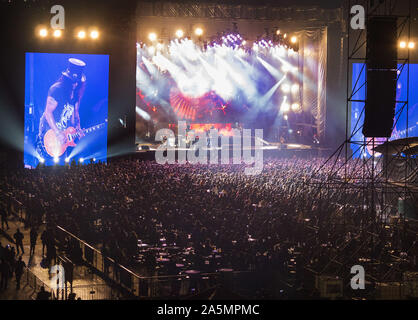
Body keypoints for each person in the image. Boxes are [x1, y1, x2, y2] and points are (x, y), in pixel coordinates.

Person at [35, 58, 87, 161]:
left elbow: (75, 114)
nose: (75, 84)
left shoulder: (76, 93)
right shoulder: (56, 89)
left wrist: (78, 128)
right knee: (46, 162)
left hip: (63, 136)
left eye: (77, 82)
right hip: (49, 133)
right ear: (67, 78)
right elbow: (48, 113)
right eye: (73, 81)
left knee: (61, 166)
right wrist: (57, 132)